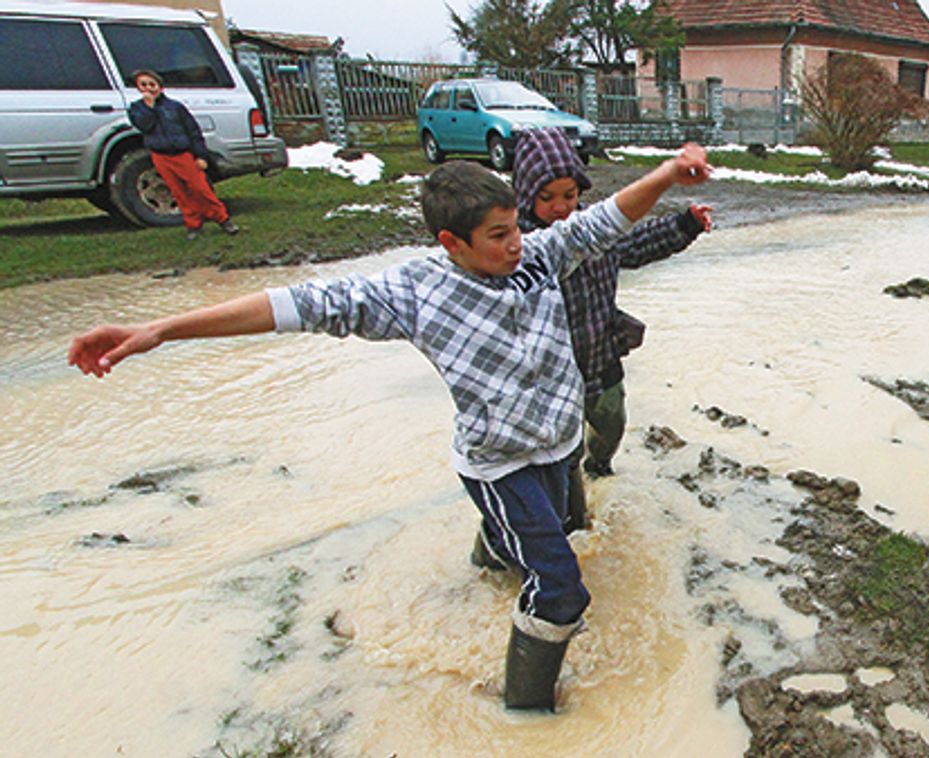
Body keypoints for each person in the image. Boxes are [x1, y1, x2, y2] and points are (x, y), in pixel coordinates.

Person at [67, 145, 712, 712]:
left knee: (561, 531)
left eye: (516, 227)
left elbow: (609, 219)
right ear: (450, 244)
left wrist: (666, 174)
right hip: (499, 462)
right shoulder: (413, 292)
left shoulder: (538, 258)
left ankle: (489, 559)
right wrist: (159, 330)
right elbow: (294, 306)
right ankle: (527, 713)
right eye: (496, 236)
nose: (516, 244)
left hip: (557, 443)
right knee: (563, 590)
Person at [508, 128, 712, 538]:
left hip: (601, 360)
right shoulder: (520, 251)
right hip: (549, 384)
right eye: (546, 198)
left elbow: (639, 241)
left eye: (568, 195)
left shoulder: (594, 234)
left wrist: (685, 225)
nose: (560, 207)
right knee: (561, 477)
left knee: (612, 425)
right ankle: (559, 525)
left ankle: (598, 468)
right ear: (526, 196)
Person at [127, 69, 239, 240]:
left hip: (182, 154)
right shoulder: (137, 109)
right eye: (143, 85)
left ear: (160, 86)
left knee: (201, 189)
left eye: (152, 84)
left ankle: (223, 219)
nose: (149, 88)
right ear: (138, 88)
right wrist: (149, 108)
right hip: (161, 156)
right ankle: (193, 225)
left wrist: (200, 156)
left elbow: (193, 131)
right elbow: (145, 126)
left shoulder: (175, 107)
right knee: (179, 192)